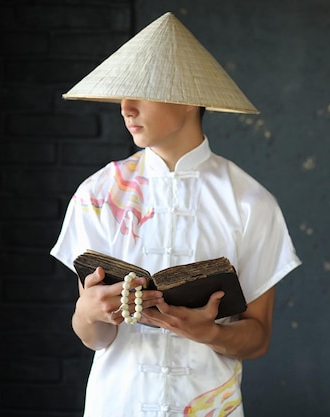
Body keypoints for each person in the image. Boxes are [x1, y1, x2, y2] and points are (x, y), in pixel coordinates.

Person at [50, 12, 301, 417]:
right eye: (122, 95)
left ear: (186, 97)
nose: (126, 108)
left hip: (207, 406)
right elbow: (93, 338)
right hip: (117, 405)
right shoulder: (97, 195)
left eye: (141, 93)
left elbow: (257, 338)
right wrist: (87, 313)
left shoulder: (251, 202)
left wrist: (209, 332)